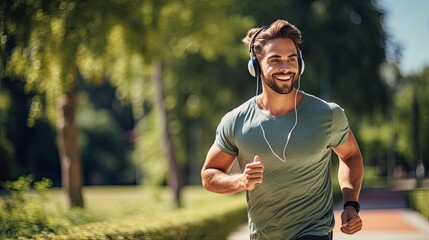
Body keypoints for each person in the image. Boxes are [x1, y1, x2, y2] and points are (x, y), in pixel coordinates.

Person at [201, 19, 364, 240]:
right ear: (255, 66)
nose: (286, 67)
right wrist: (240, 181)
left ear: (300, 63)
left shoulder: (328, 115)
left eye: (291, 59)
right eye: (275, 60)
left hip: (314, 232)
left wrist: (351, 203)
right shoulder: (236, 121)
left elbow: (351, 156)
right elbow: (209, 175)